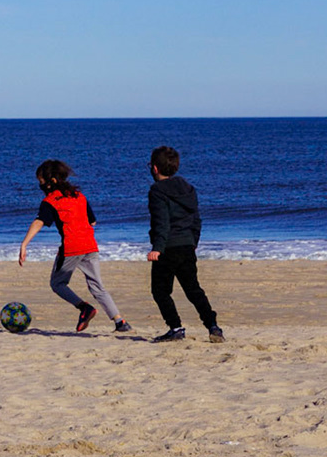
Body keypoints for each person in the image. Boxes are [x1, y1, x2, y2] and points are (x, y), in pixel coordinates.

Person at [17, 160, 132, 334]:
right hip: (90, 245)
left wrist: (24, 244)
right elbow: (92, 220)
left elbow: (40, 221)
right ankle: (120, 322)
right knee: (97, 286)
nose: (41, 186)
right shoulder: (79, 196)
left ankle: (84, 308)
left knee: (57, 284)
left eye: (42, 182)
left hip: (71, 248)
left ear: (52, 181)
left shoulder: (50, 201)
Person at [145, 145, 222, 343]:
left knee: (160, 291)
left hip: (168, 247)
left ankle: (176, 327)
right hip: (187, 245)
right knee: (193, 289)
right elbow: (196, 220)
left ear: (154, 168)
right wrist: (193, 242)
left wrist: (157, 249)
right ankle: (213, 326)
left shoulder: (157, 191)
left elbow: (162, 222)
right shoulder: (188, 188)